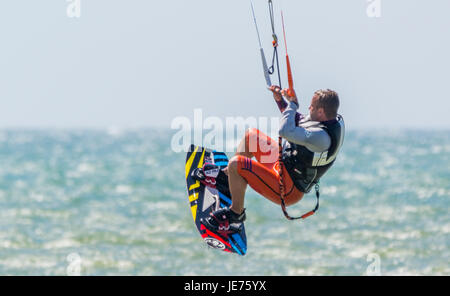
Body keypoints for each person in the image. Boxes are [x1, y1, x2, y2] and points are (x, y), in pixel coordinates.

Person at [195, 86, 345, 234]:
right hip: (283, 166)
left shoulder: (321, 138)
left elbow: (285, 131)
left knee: (237, 163)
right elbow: (298, 119)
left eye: (311, 106)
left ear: (320, 112)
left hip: (287, 188)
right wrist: (281, 101)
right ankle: (228, 179)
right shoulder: (328, 120)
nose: (308, 108)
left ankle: (236, 213)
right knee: (251, 137)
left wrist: (293, 104)